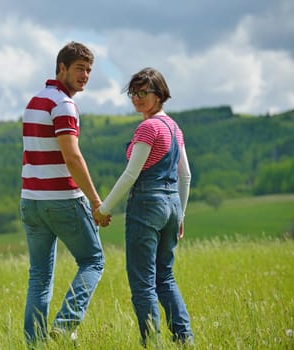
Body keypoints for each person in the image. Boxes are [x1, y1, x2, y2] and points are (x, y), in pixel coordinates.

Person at [94, 67, 194, 346]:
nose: (136, 98)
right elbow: (185, 175)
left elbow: (130, 174)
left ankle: (152, 343)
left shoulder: (148, 128)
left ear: (159, 94)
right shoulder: (175, 128)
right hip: (172, 205)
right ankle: (185, 339)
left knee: (143, 284)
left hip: (147, 205)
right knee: (166, 278)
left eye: (143, 92)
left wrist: (104, 208)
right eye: (133, 93)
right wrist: (181, 214)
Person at [20, 41, 108, 346]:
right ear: (62, 69)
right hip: (62, 201)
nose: (85, 75)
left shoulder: (34, 102)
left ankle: (35, 344)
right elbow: (72, 157)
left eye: (89, 70)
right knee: (93, 260)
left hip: (31, 202)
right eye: (79, 69)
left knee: (39, 276)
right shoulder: (64, 104)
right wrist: (97, 202)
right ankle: (64, 323)